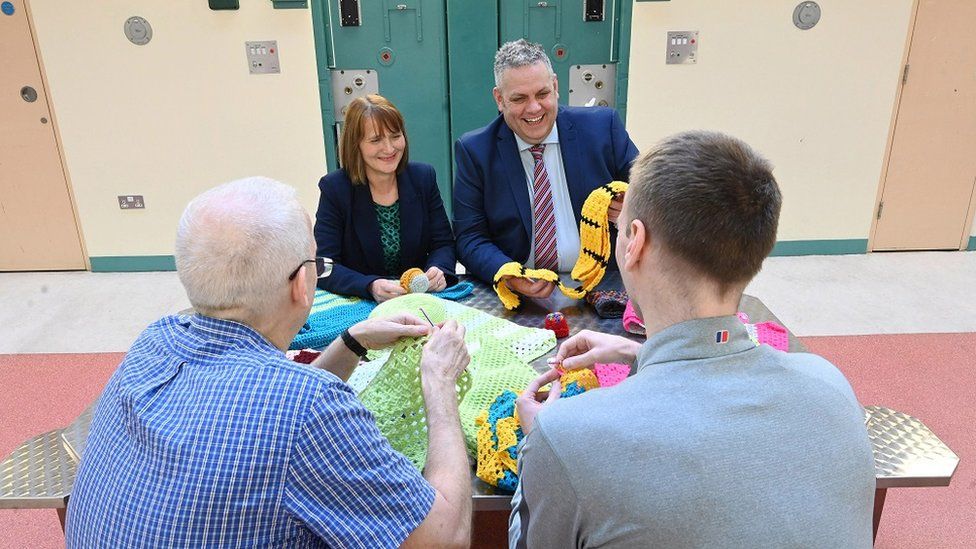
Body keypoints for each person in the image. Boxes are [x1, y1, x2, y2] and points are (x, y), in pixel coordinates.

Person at [511, 132, 876, 547]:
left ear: (635, 241)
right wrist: (640, 353)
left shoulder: (567, 437)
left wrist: (538, 444)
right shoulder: (829, 385)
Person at [66, 177, 472, 548]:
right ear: (301, 284)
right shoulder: (310, 407)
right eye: (318, 265)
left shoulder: (154, 340)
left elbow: (262, 413)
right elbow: (445, 536)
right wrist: (439, 383)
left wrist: (352, 341)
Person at [453, 39, 639, 298]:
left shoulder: (602, 129)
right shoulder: (475, 151)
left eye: (542, 94)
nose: (533, 108)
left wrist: (630, 207)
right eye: (519, 98)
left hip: (604, 285)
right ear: (499, 99)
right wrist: (508, 273)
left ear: (555, 86)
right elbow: (469, 237)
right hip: (519, 294)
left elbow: (653, 198)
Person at [315, 94, 457, 302]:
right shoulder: (335, 188)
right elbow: (323, 266)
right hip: (359, 303)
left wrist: (439, 269)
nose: (390, 148)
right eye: (376, 140)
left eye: (395, 136)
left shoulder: (423, 177)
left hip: (418, 300)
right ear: (356, 145)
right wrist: (369, 286)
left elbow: (443, 243)